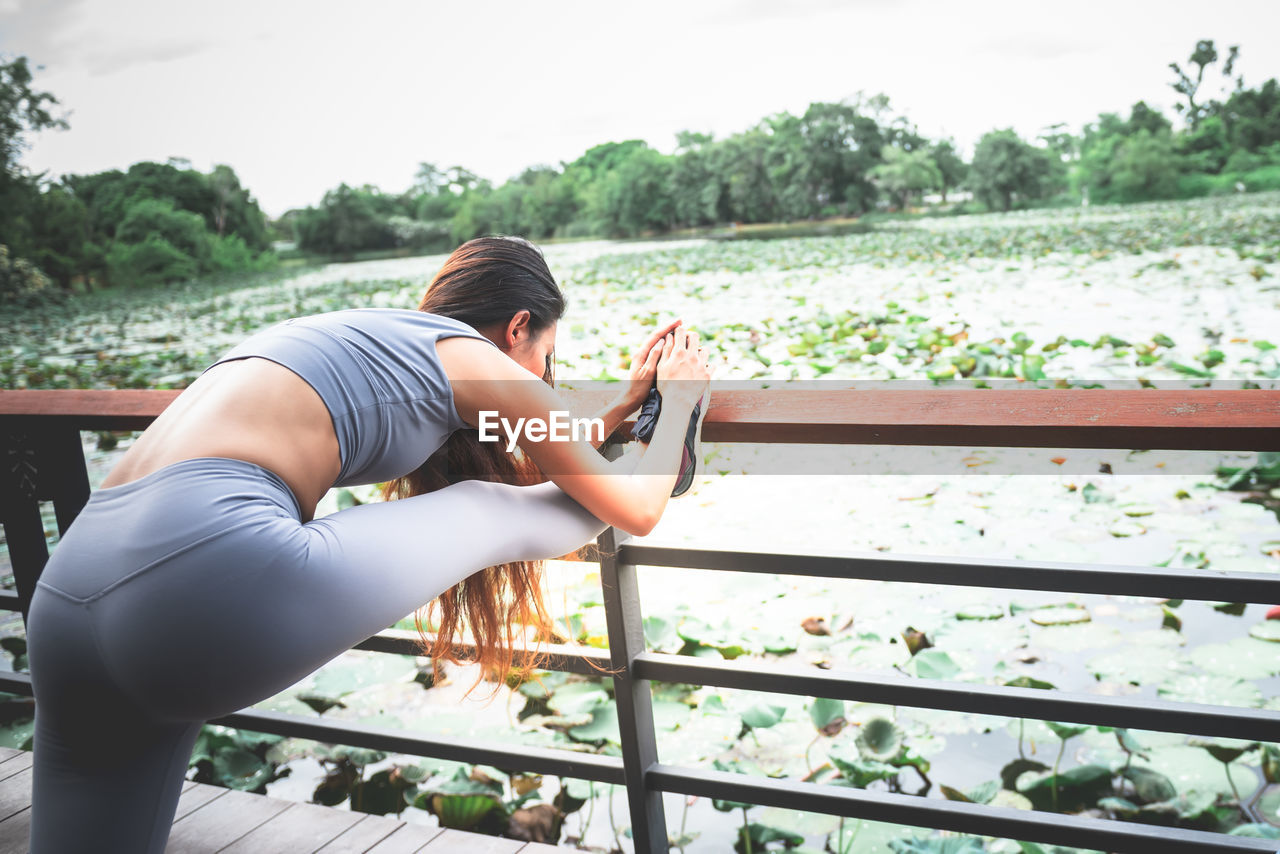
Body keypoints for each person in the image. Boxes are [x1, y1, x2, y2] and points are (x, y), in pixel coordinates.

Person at [24, 235, 714, 854]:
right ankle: (667, 460)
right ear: (517, 328)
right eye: (546, 359)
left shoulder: (370, 336)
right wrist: (675, 405)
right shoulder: (475, 360)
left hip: (66, 598)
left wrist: (619, 414)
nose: (542, 379)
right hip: (196, 590)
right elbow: (633, 511)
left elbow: (535, 444)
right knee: (489, 507)